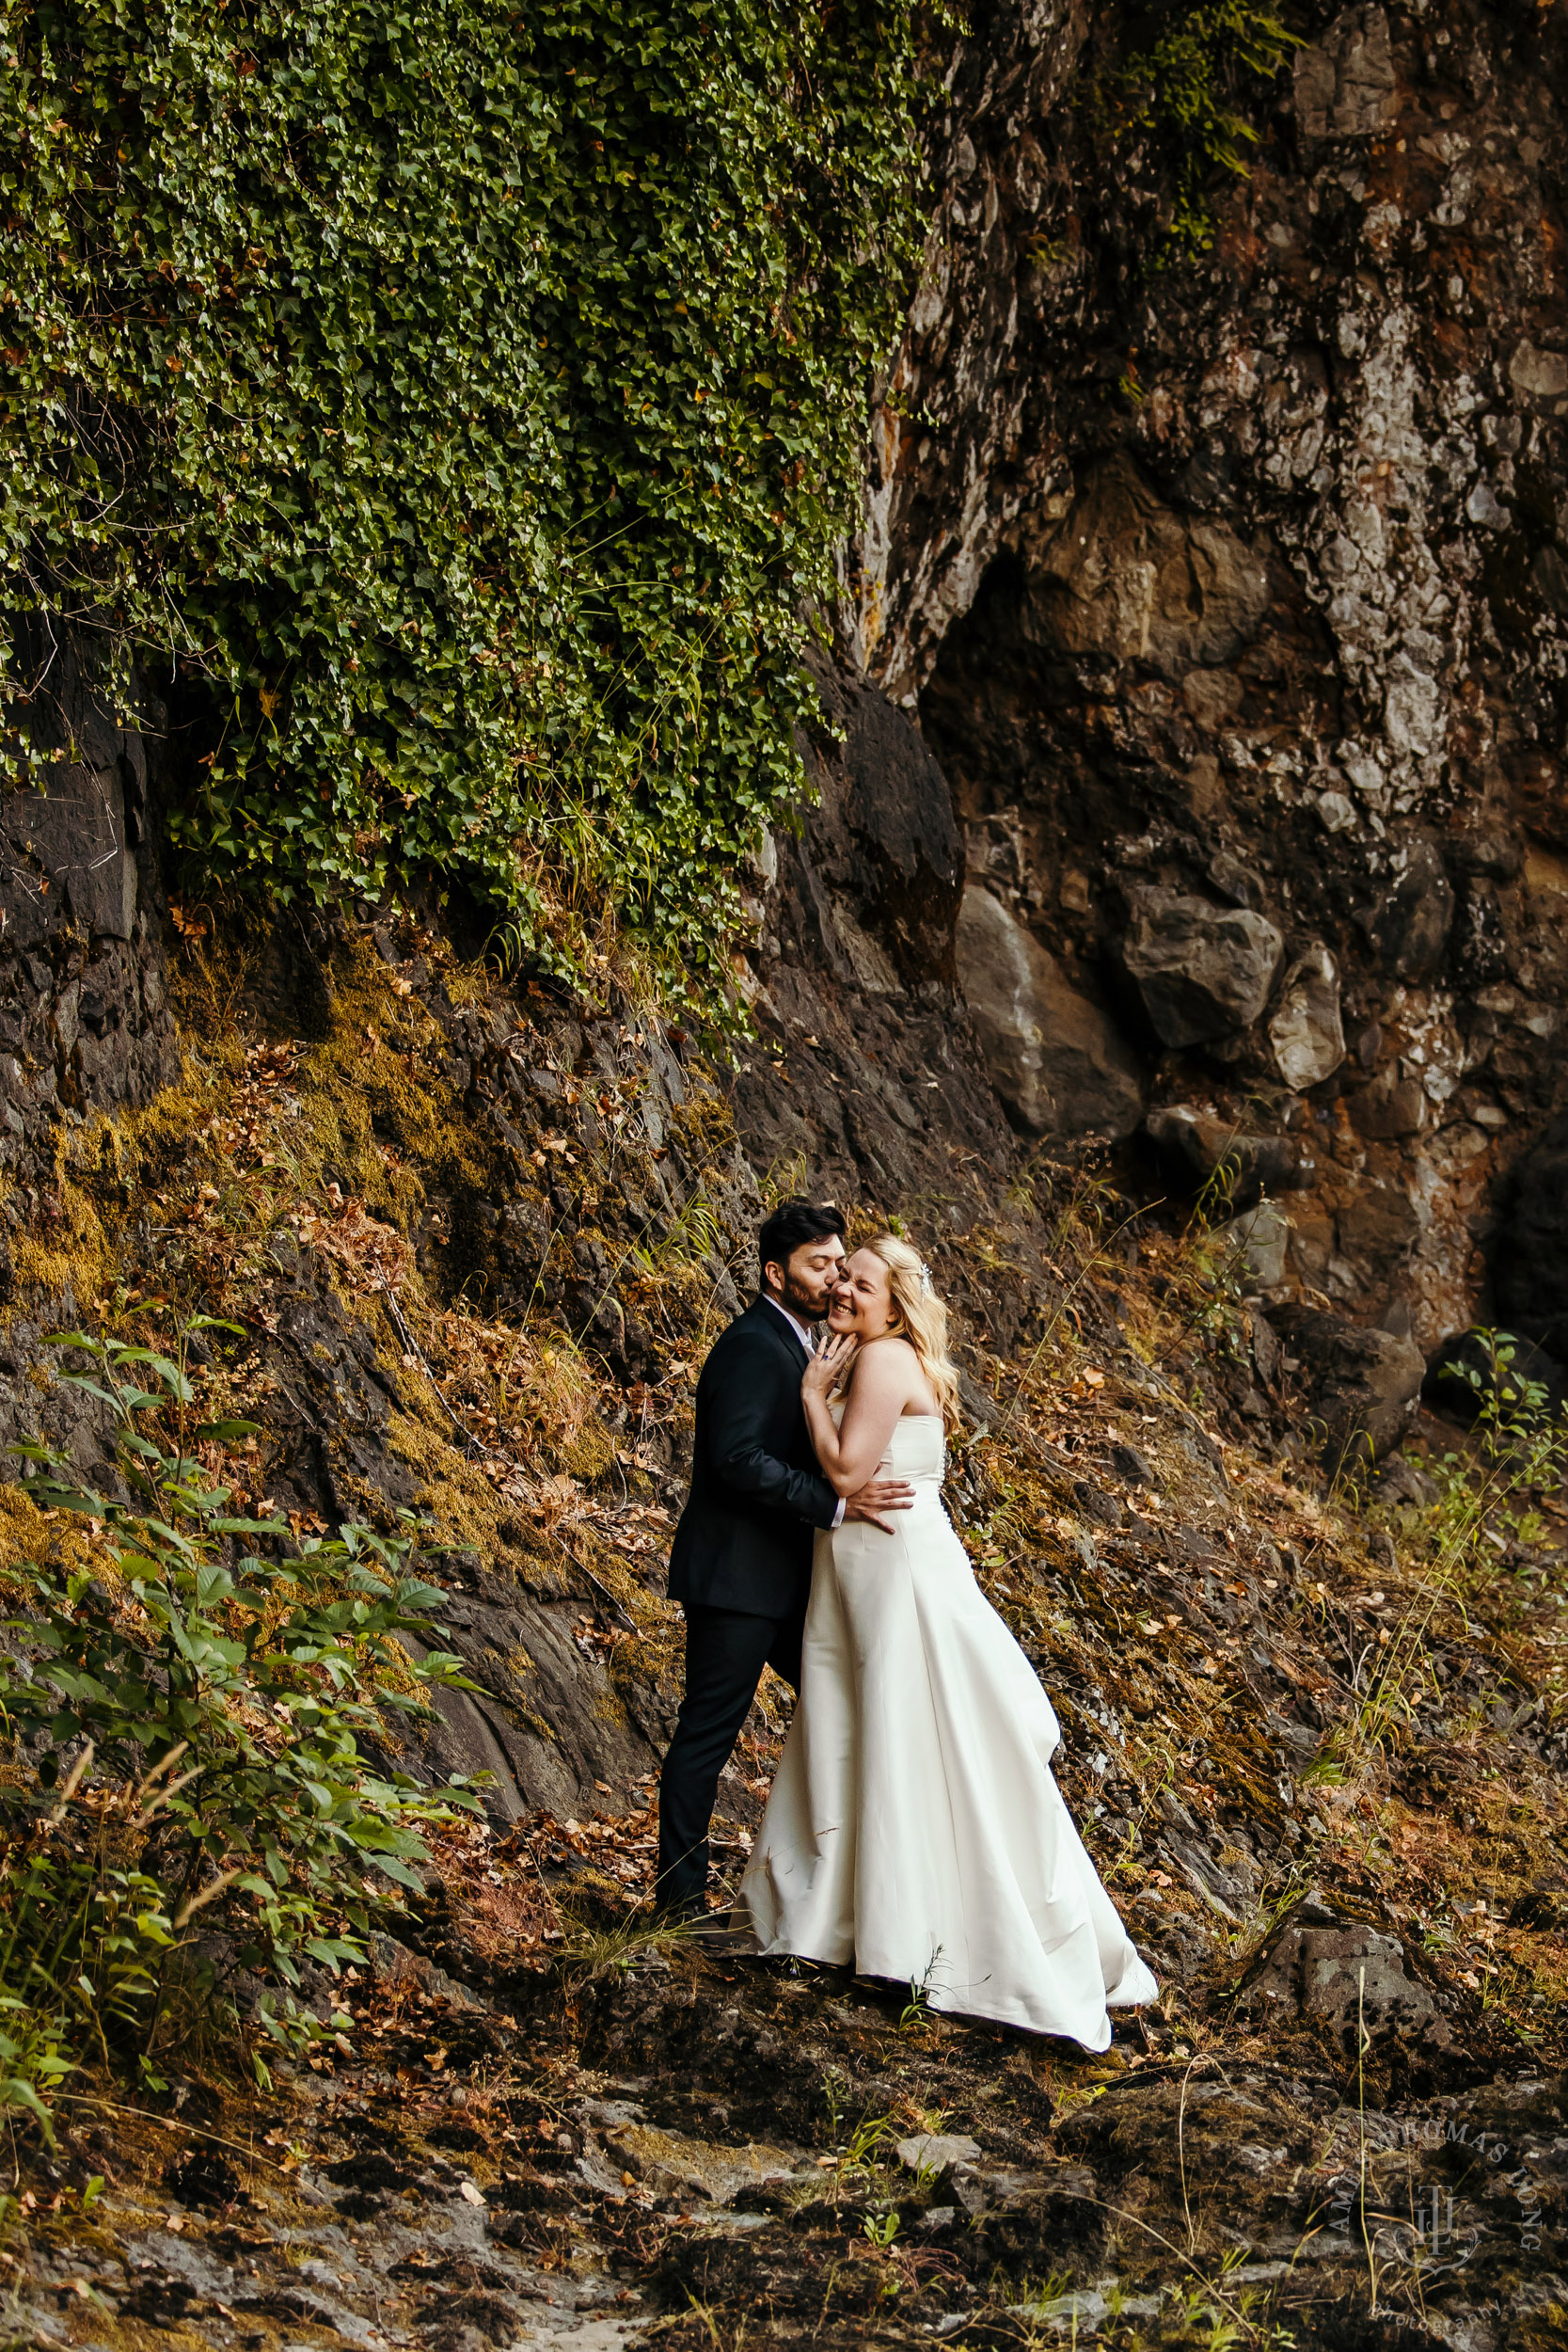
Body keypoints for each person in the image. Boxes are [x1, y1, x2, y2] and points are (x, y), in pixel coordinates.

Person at [736, 1232, 1159, 2045]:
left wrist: (806, 1396)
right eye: (842, 1280)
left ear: (895, 1302)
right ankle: (861, 1915)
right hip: (866, 1560)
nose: (844, 1293)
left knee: (899, 1726)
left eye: (861, 1284)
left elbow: (848, 1476)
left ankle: (901, 1928)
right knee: (873, 1721)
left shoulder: (882, 1361)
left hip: (891, 1563)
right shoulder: (882, 1356)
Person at [655, 1200, 915, 1924]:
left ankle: (850, 1892)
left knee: (858, 1711)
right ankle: (678, 1908)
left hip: (793, 1585)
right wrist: (833, 1506)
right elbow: (734, 1461)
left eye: (840, 1263)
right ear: (776, 1273)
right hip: (737, 1580)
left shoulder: (814, 1346)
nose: (835, 1279)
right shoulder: (750, 1344)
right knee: (704, 1740)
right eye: (819, 1265)